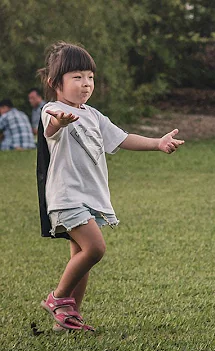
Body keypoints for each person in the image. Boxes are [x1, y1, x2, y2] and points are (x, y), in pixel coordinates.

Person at [36, 41, 184, 332]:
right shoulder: (53, 110)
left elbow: (122, 138)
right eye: (76, 77)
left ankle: (68, 319)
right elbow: (49, 129)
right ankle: (57, 298)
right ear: (56, 83)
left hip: (89, 197)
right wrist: (60, 123)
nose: (86, 83)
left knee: (82, 255)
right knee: (95, 248)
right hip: (66, 196)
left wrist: (157, 143)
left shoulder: (92, 114)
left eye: (89, 76)